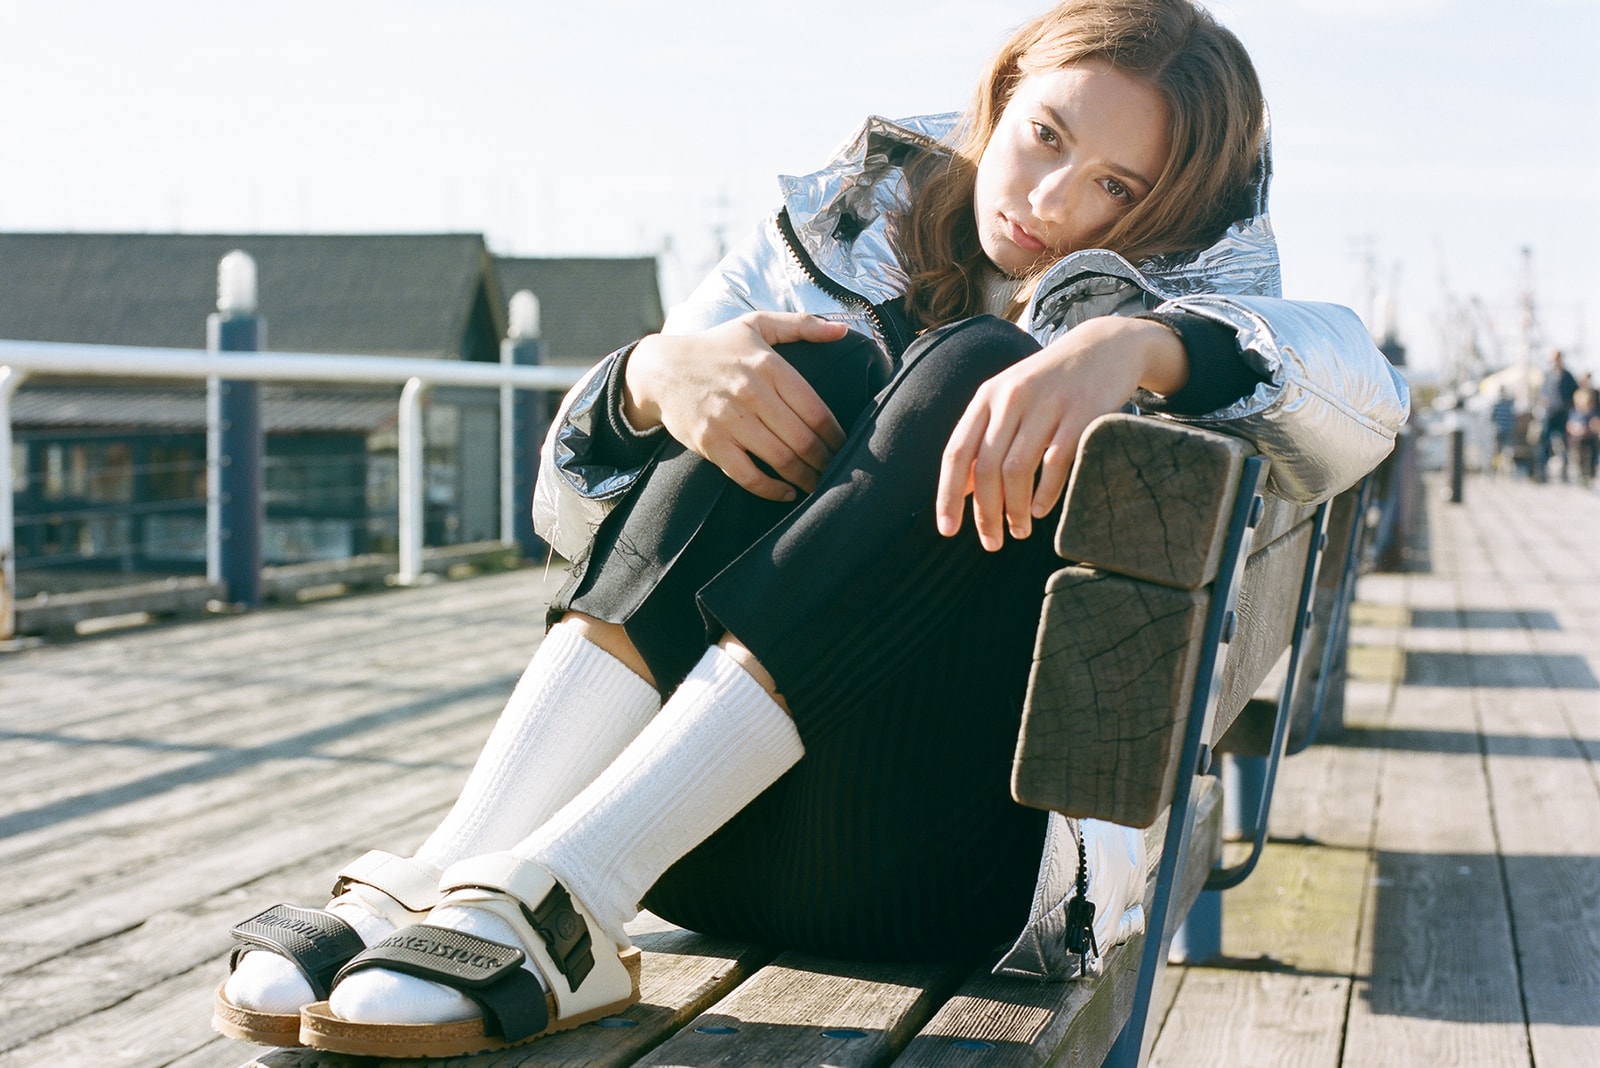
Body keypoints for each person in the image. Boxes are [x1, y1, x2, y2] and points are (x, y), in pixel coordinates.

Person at [213, 0, 1409, 1057]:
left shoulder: (1202, 299)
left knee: (977, 364)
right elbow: (568, 525)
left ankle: (569, 891)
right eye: (1045, 136)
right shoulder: (831, 242)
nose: (1051, 204)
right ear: (998, 99)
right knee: (785, 378)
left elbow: (1366, 403)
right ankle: (453, 873)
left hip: (952, 872)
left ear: (1169, 210)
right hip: (701, 839)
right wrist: (647, 381)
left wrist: (1141, 343)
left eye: (1115, 188)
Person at [1536, 349, 1578, 482]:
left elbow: (1575, 394)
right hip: (1549, 414)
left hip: (1563, 414)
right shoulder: (1548, 375)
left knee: (1564, 443)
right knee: (1545, 443)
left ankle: (1564, 473)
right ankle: (1542, 472)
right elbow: (1543, 393)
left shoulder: (1568, 376)